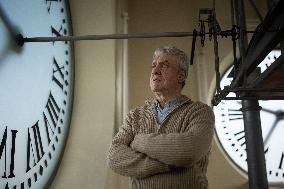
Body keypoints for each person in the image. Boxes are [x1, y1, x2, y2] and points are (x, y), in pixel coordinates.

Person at [107, 45, 215, 189]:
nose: (155, 71)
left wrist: (138, 141)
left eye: (164, 66)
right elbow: (114, 157)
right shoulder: (135, 116)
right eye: (153, 65)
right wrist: (169, 163)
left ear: (181, 76)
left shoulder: (200, 112)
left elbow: (188, 151)